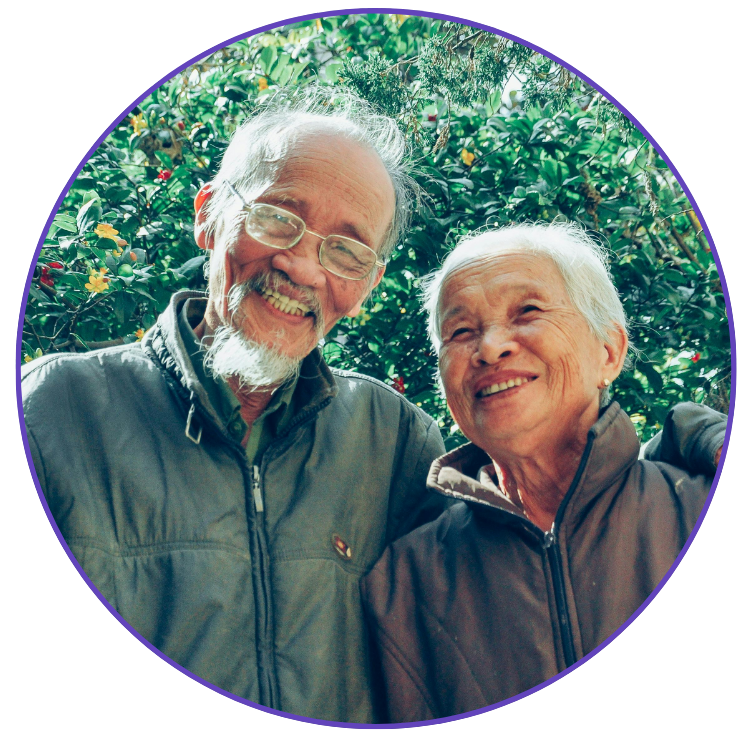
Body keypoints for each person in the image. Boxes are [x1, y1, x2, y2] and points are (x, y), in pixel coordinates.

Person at [22, 91, 723, 723]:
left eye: (346, 250)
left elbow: (540, 536)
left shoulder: (391, 442)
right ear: (210, 218)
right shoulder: (51, 414)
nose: (302, 266)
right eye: (275, 217)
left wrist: (699, 450)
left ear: (366, 284)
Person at [362, 222, 726, 723]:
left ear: (609, 352)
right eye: (461, 331)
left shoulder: (705, 508)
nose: (489, 348)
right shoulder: (404, 584)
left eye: (527, 311)